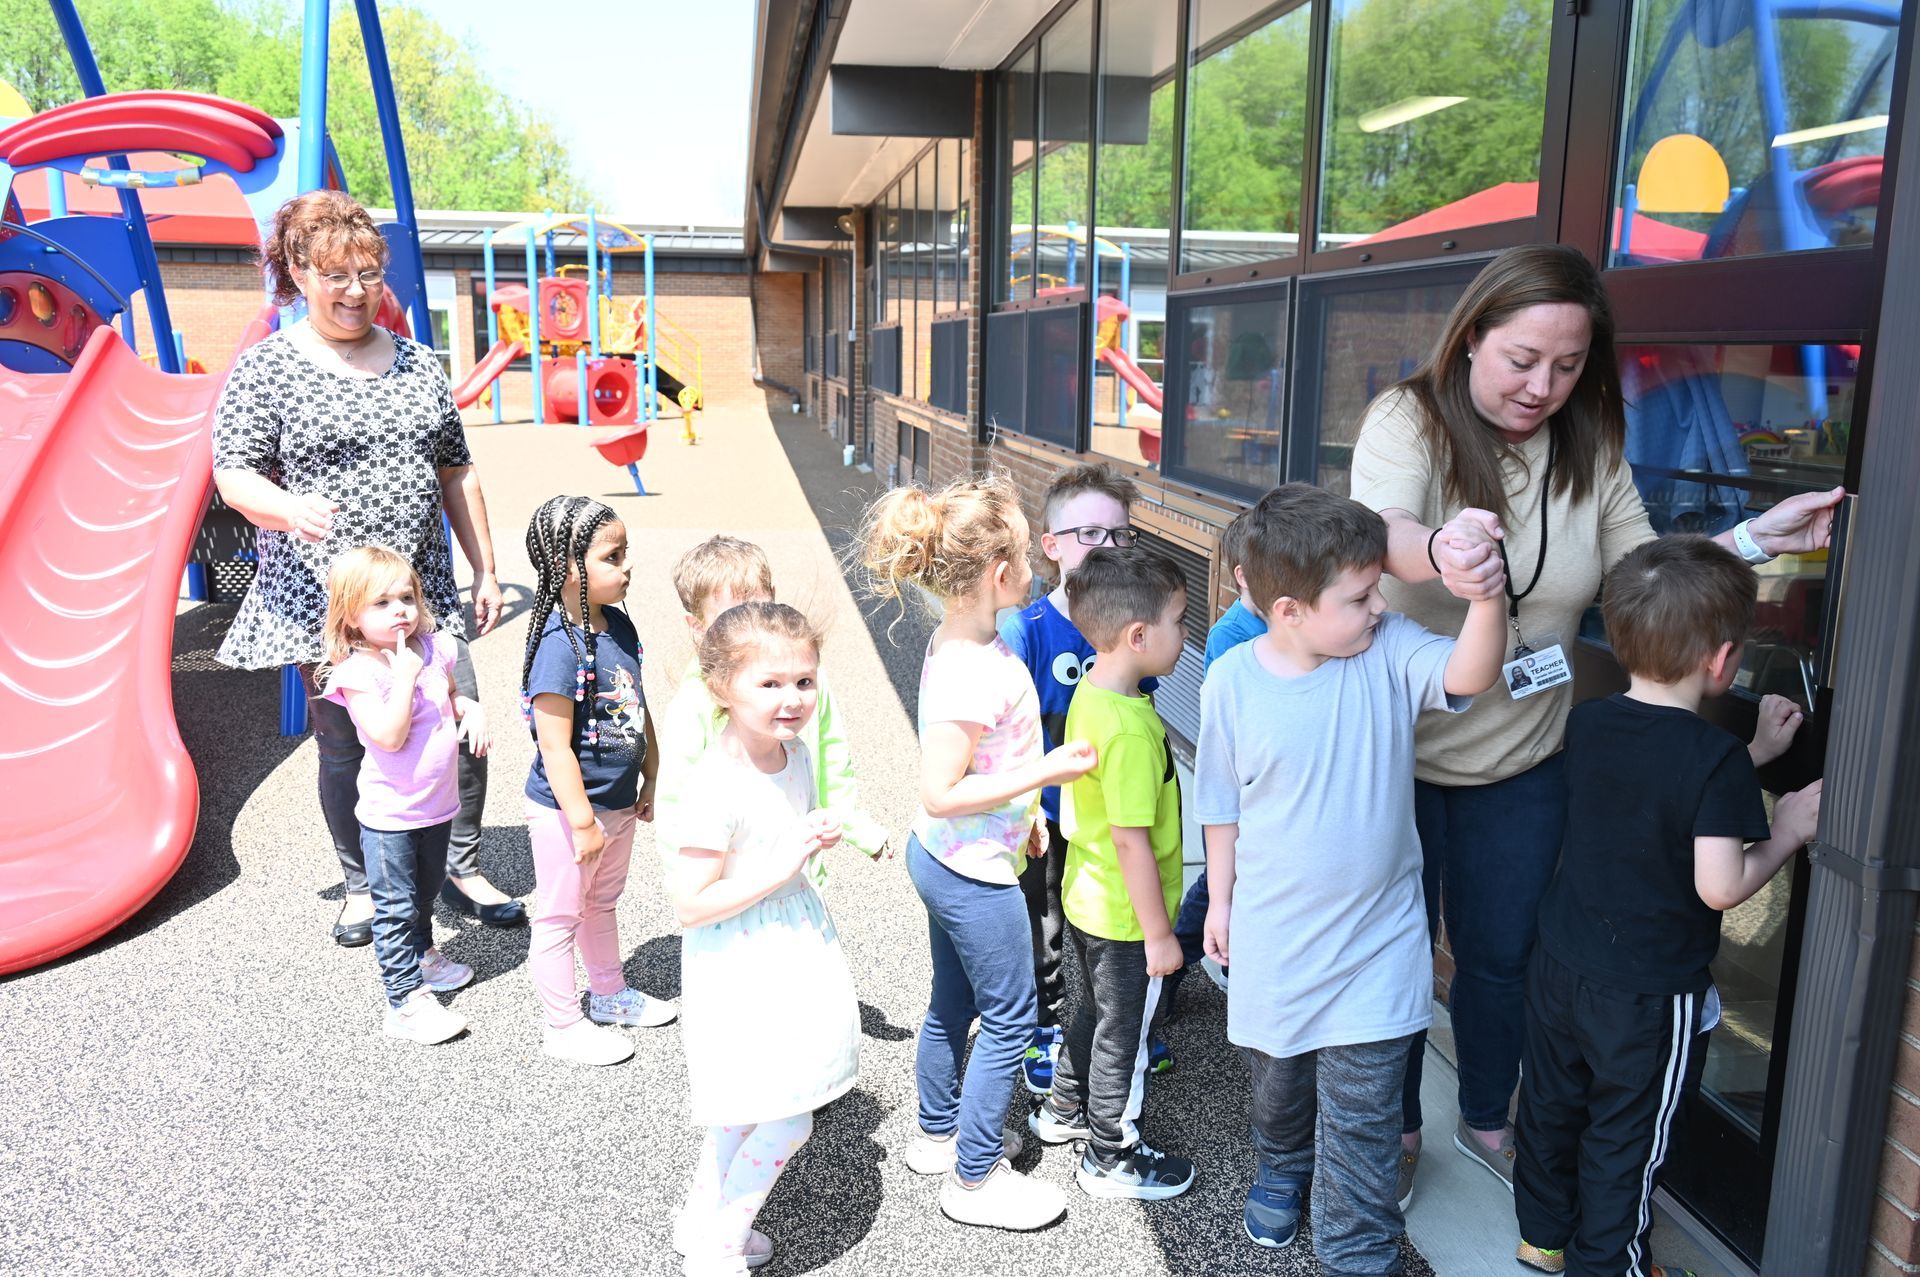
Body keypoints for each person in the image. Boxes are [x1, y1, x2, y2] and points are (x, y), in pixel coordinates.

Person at [1348, 244, 1843, 1196]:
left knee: (1501, 957)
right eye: (1522, 359)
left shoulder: (1589, 447)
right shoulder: (1409, 418)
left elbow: (1640, 577)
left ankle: (1489, 1112)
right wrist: (1442, 547)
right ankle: (1396, 1128)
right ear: (1471, 339)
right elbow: (1382, 527)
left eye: (1568, 365)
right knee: (1395, 956)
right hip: (1394, 751)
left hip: (1524, 755)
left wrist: (1750, 539)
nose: (1543, 385)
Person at [1197, 484, 1506, 1273]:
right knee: (1280, 1088)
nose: (1378, 605)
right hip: (1276, 939)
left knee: (1365, 1117)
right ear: (1291, 609)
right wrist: (1221, 898)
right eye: (1361, 594)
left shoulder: (1390, 649)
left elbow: (1469, 674)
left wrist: (1484, 599)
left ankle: (1356, 1251)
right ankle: (1283, 1160)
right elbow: (1222, 802)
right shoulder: (1231, 681)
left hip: (1378, 945)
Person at [212, 190, 520, 949]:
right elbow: (233, 475)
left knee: (456, 723)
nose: (355, 290)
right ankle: (362, 882)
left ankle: (462, 864)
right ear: (297, 270)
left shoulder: (418, 363)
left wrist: (484, 567)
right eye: (336, 274)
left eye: (369, 273)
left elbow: (457, 471)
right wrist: (285, 509)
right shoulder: (267, 370)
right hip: (330, 602)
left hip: (419, 591)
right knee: (350, 743)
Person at [1512, 538, 1820, 1277]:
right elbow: (1720, 884)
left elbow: (1653, 791)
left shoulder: (1588, 721)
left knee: (1553, 1110)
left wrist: (1755, 756)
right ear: (1723, 661)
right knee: (1628, 1136)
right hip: (1646, 995)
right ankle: (1610, 1267)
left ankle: (1543, 1239)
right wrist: (1785, 831)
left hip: (1560, 965)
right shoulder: (1709, 758)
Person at [861, 474, 1096, 1231]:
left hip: (952, 854)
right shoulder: (975, 666)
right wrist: (1045, 775)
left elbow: (983, 770)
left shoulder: (967, 640)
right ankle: (973, 1178)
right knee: (1010, 1015)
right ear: (998, 574)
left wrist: (1019, 809)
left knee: (954, 1000)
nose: (1036, 568)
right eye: (1027, 556)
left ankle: (937, 1131)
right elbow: (940, 788)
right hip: (970, 870)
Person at [664, 602, 861, 1277]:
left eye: (804, 681)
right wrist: (781, 865)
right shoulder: (716, 783)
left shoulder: (795, 753)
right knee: (786, 1115)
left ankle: (702, 1222)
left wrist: (814, 834)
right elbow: (690, 902)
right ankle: (718, 1248)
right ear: (721, 686)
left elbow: (784, 831)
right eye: (770, 683)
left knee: (746, 1110)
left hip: (789, 946)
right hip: (741, 961)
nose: (793, 698)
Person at [1028, 549, 1195, 1201]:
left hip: (1085, 898)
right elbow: (1133, 842)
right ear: (1137, 636)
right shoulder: (1127, 725)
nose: (1187, 634)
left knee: (1088, 1012)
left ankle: (1062, 1109)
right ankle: (1111, 1153)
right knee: (1122, 1037)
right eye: (1181, 620)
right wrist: (1159, 935)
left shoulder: (1094, 689)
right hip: (1128, 917)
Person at [997, 463, 1161, 1092]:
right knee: (1044, 920)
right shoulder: (1028, 630)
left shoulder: (1132, 628)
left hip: (1109, 811)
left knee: (1103, 917)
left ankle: (1110, 1023)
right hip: (1044, 810)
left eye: (1120, 535)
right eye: (1089, 534)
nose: (1108, 548)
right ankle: (1041, 1024)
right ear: (1051, 546)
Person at [521, 497, 675, 1068]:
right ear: (566, 567)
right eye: (612, 556)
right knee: (560, 915)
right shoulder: (559, 647)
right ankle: (561, 1025)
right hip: (569, 813)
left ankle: (609, 995)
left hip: (616, 803)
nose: (627, 566)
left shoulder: (620, 625)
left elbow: (637, 705)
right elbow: (553, 743)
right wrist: (581, 821)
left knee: (602, 903)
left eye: (624, 552)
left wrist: (652, 772)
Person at [317, 546, 488, 1045]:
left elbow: (452, 696)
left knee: (426, 891)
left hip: (437, 806)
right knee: (393, 908)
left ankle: (422, 956)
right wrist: (406, 676)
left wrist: (469, 708)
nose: (400, 611)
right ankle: (404, 1001)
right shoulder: (358, 675)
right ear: (350, 615)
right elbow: (388, 737)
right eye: (381, 603)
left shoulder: (435, 649)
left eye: (407, 597)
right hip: (390, 815)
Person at [656, 535, 888, 872]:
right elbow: (676, 796)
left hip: (803, 871)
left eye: (761, 609)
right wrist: (689, 885)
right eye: (732, 617)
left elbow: (833, 756)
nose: (752, 626)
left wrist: (853, 825)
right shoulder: (696, 698)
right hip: (735, 879)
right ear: (698, 627)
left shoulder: (804, 681)